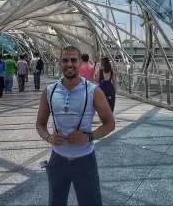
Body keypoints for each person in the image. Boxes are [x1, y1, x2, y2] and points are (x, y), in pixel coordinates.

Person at [36, 46, 116, 206]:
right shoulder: (49, 91)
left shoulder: (93, 91)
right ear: (60, 63)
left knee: (91, 202)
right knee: (56, 202)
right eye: (65, 60)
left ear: (80, 63)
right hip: (57, 159)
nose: (69, 64)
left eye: (73, 60)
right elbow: (40, 124)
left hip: (85, 160)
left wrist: (88, 137)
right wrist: (49, 138)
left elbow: (110, 124)